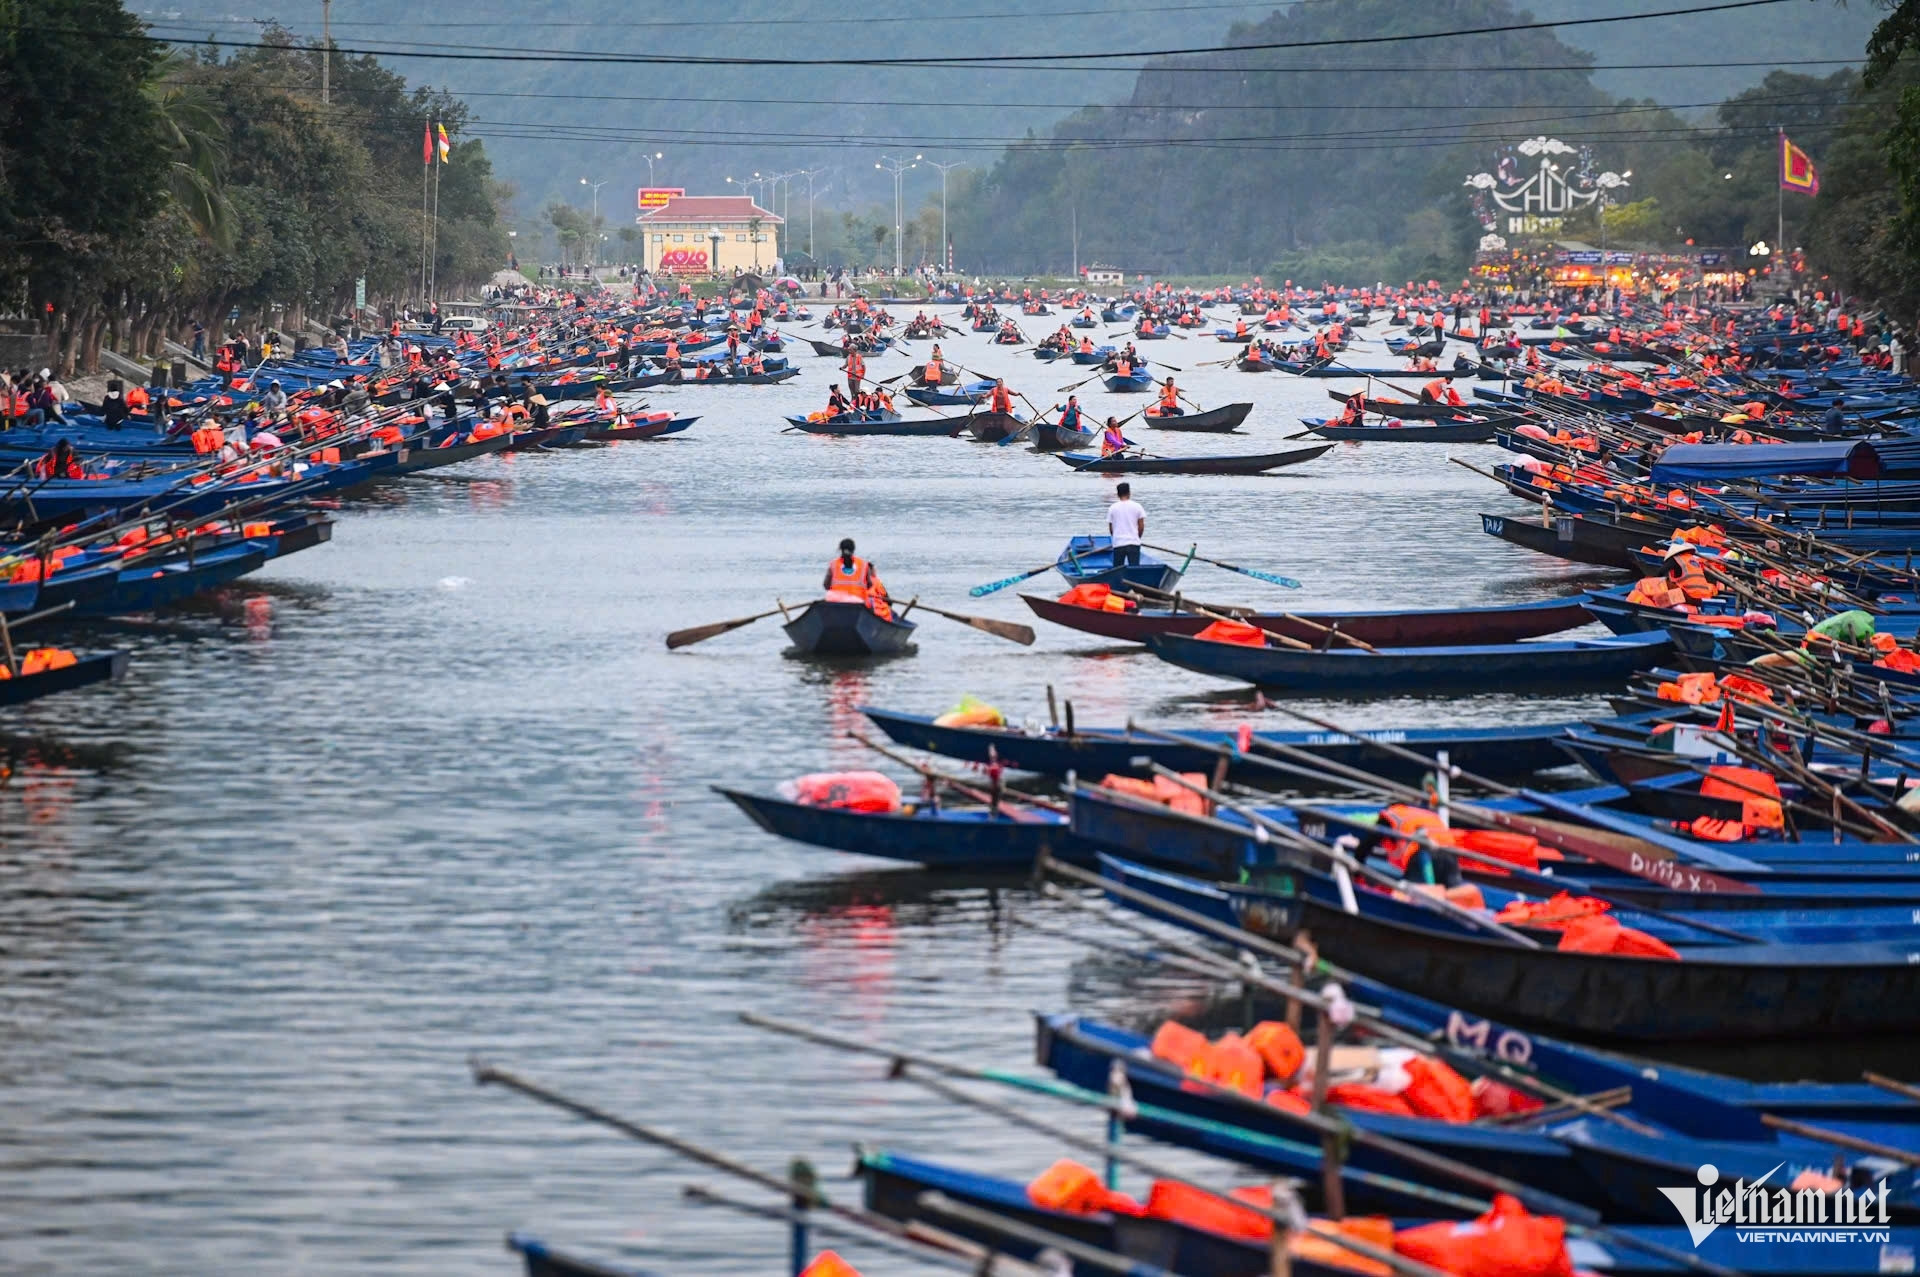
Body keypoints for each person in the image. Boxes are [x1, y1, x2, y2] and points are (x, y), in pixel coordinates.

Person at [822, 537, 891, 620]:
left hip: (835, 603)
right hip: (858, 604)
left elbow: (826, 586)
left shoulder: (833, 564)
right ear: (853, 550)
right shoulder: (863, 564)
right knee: (871, 604)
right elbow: (869, 585)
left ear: (840, 549)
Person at [1108, 481, 1146, 568]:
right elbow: (1141, 527)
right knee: (1134, 569)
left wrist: (1116, 538)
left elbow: (1111, 528)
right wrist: (1137, 538)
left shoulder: (1112, 508)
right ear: (1129, 493)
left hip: (1118, 544)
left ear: (1118, 494)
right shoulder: (1137, 506)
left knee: (1117, 569)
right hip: (1133, 543)